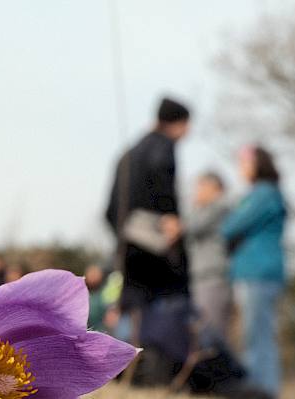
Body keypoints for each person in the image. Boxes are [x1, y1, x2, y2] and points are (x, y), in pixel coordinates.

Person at [104, 97, 192, 384]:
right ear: (178, 123)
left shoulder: (128, 152)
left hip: (126, 241)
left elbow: (110, 207)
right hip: (153, 243)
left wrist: (121, 235)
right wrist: (170, 217)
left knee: (130, 302)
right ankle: (157, 372)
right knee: (161, 304)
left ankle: (119, 370)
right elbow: (162, 178)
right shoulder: (162, 146)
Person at [222, 146, 287, 398]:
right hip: (256, 273)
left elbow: (231, 226)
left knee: (256, 336)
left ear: (258, 165)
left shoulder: (263, 193)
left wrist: (232, 221)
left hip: (257, 273)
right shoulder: (262, 194)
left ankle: (262, 390)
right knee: (257, 335)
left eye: (244, 163)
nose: (241, 169)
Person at [185, 172, 232, 337]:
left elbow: (193, 227)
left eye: (201, 187)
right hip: (203, 279)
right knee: (202, 333)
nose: (197, 192)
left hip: (213, 278)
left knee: (211, 334)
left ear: (214, 188)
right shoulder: (210, 209)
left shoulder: (220, 207)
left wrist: (194, 208)